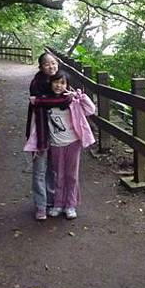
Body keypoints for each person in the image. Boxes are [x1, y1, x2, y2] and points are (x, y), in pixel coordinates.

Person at [44, 70, 96, 219]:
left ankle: (70, 205)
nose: (59, 85)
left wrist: (80, 97)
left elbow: (91, 110)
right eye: (56, 82)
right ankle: (58, 204)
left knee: (71, 175)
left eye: (62, 83)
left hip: (73, 143)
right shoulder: (46, 102)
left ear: (67, 85)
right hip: (55, 144)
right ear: (51, 83)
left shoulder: (72, 101)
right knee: (58, 175)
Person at [24, 52, 68, 221]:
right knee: (39, 171)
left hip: (57, 134)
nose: (51, 66)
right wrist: (62, 100)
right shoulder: (37, 83)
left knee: (52, 169)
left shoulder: (60, 81)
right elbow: (41, 101)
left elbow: (69, 100)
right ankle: (41, 206)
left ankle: (51, 201)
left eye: (54, 63)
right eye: (47, 64)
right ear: (41, 67)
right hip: (39, 132)